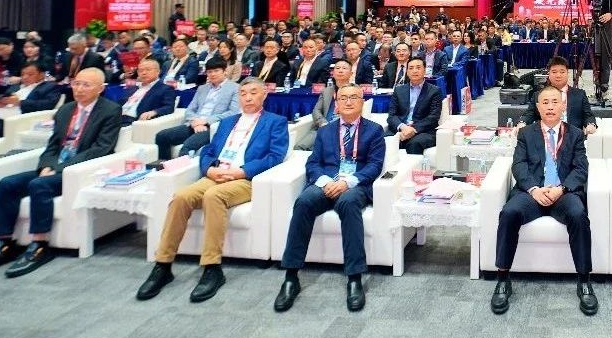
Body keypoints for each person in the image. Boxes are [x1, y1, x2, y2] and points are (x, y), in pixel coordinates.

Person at [138, 78, 288, 303]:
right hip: (216, 174)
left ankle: (212, 267)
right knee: (181, 197)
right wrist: (209, 169)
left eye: (253, 92)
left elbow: (275, 156)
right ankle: (163, 264)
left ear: (264, 94)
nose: (248, 97)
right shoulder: (227, 122)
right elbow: (208, 150)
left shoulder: (275, 122)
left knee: (213, 196)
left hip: (245, 179)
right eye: (243, 93)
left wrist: (241, 171)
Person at [0, 68, 121, 278]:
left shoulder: (110, 110)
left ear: (101, 89)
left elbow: (101, 148)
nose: (79, 89)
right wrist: (47, 165)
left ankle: (39, 244)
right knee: (7, 184)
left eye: (86, 85)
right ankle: (3, 243)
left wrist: (59, 168)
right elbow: (53, 145)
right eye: (76, 83)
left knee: (39, 185)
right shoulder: (65, 110)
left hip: (78, 170)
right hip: (54, 166)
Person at [275, 87, 385, 313]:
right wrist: (325, 182)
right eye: (343, 98)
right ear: (336, 103)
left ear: (362, 101)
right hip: (326, 182)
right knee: (304, 202)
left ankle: (354, 277)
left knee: (348, 203)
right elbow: (313, 163)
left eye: (353, 97)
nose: (348, 102)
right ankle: (291, 276)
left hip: (355, 185)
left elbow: (374, 165)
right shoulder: (325, 131)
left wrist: (347, 182)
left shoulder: (374, 131)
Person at [491, 85, 596, 316]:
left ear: (563, 105)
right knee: (509, 213)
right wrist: (533, 189)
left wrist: (562, 189)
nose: (550, 107)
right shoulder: (526, 133)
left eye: (554, 102)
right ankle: (503, 278)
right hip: (532, 192)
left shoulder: (575, 134)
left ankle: (584, 281)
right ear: (537, 107)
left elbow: (581, 168)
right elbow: (519, 165)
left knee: (579, 215)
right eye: (545, 103)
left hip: (563, 193)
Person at [154, 57, 240, 160]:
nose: (212, 74)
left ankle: (180, 170)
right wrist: (195, 122)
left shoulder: (235, 88)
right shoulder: (202, 88)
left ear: (225, 71)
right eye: (209, 72)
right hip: (194, 124)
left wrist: (206, 121)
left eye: (216, 71)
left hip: (213, 126)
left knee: (187, 147)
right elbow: (190, 109)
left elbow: (233, 113)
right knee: (162, 136)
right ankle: (164, 166)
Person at [519, 57, 598, 134]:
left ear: (567, 73)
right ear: (548, 74)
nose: (558, 75)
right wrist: (522, 122)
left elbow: (588, 115)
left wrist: (591, 124)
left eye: (562, 72)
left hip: (573, 137)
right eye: (554, 72)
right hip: (545, 137)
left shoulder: (579, 94)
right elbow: (529, 114)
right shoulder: (538, 95)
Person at [0, 62, 61, 138]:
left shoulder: (49, 87)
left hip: (8, 122)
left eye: (30, 74)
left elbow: (48, 104)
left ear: (42, 75)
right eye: (22, 74)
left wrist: (20, 102)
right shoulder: (15, 87)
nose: (25, 77)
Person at [387, 57, 443, 155]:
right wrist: (403, 127)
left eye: (418, 67)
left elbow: (433, 117)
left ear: (424, 70)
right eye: (411, 68)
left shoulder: (434, 91)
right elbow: (391, 116)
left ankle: (413, 165)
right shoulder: (399, 90)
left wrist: (413, 129)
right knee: (384, 138)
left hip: (424, 131)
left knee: (414, 144)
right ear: (407, 72)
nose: (414, 71)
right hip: (402, 128)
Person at [119, 57, 177, 126]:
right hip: (118, 117)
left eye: (148, 70)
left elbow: (169, 107)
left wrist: (154, 112)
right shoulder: (134, 87)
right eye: (140, 71)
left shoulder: (165, 88)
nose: (144, 73)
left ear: (158, 71)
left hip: (133, 121)